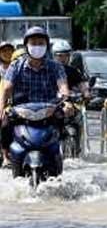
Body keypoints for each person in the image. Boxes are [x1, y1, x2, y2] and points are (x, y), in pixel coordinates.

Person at [0, 27, 71, 163]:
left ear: (46, 46)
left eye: (41, 43)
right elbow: (6, 89)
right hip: (21, 112)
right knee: (5, 123)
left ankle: (62, 153)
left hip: (49, 111)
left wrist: (67, 101)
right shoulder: (16, 66)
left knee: (65, 119)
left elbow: (63, 86)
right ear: (26, 45)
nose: (37, 46)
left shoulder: (55, 66)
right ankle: (6, 156)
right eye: (33, 42)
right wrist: (1, 108)